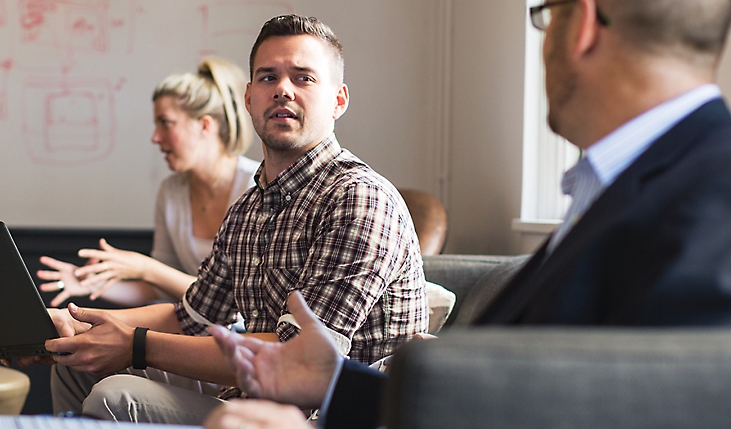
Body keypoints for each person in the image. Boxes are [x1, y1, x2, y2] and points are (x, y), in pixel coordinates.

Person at [204, 0, 731, 427]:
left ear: (582, 26)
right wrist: (338, 382)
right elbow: (530, 402)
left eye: (543, 15)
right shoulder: (635, 186)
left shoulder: (706, 207)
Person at [14, 14, 429, 425]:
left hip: (321, 415)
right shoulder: (248, 207)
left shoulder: (359, 197)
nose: (283, 89)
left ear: (338, 100)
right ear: (249, 98)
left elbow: (295, 358)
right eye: (268, 78)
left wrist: (135, 345)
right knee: (75, 360)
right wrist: (79, 325)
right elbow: (190, 316)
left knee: (114, 395)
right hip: (248, 394)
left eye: (303, 78)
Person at [36, 58, 260, 308]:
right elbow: (160, 291)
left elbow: (234, 300)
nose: (155, 137)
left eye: (165, 123)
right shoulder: (171, 192)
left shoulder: (257, 186)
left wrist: (146, 268)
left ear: (204, 125)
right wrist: (96, 285)